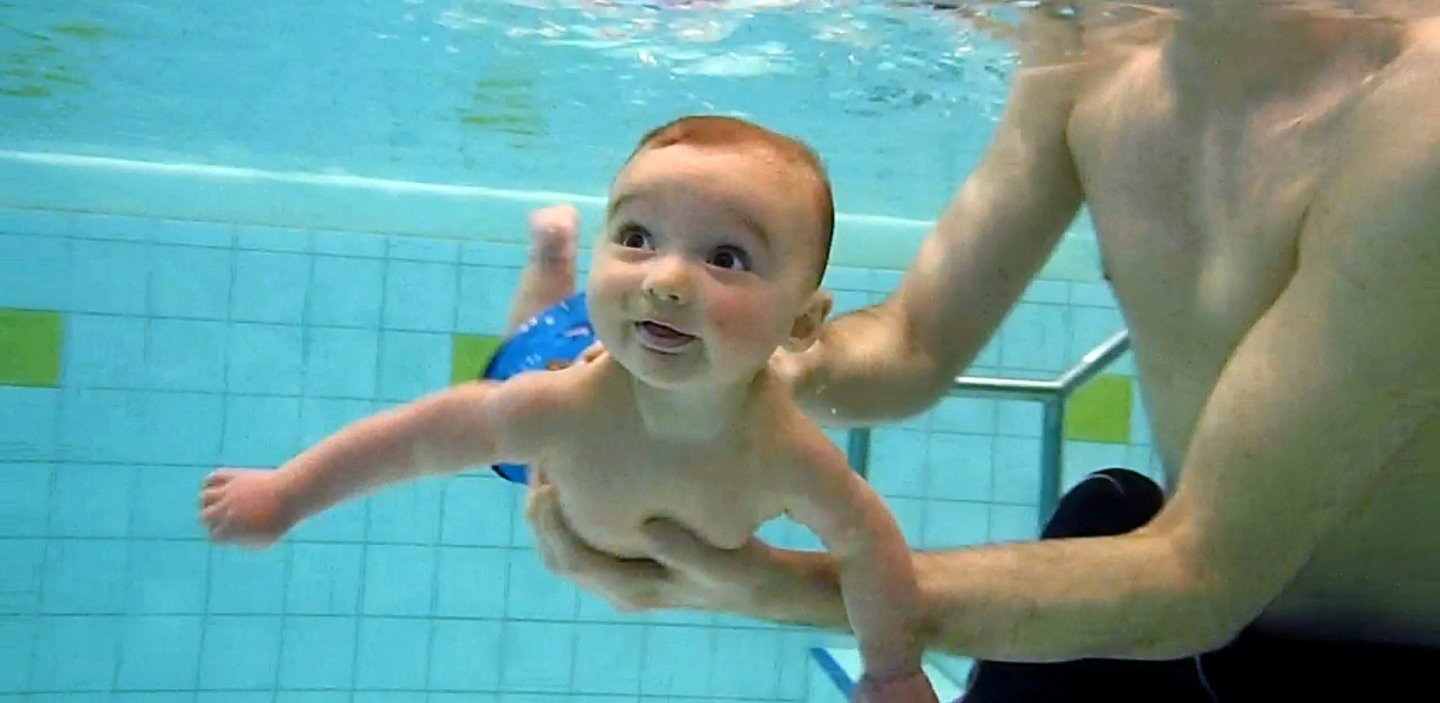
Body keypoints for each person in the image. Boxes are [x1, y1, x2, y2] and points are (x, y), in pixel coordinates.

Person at [525, 2, 1440, 700]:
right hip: (1177, 621)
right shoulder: (1093, 60)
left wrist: (766, 584)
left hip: (1379, 656)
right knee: (1105, 516)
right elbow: (910, 345)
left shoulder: (1417, 110)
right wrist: (720, 363)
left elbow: (1200, 572)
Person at [198, 115, 940, 703]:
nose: (668, 279)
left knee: (562, 339)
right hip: (552, 418)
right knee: (534, 340)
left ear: (802, 324)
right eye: (636, 238)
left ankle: (558, 268)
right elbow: (416, 441)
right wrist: (286, 493)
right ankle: (551, 263)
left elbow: (870, 545)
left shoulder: (788, 453)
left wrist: (893, 668)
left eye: (726, 257)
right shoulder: (560, 402)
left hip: (617, 387)